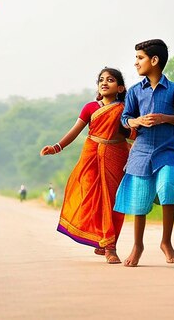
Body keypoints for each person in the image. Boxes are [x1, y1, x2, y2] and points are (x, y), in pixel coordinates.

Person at [114, 39, 174, 267]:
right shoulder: (135, 92)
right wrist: (137, 121)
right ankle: (137, 246)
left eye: (140, 58)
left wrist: (165, 118)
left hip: (166, 151)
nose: (136, 62)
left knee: (168, 190)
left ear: (154, 60)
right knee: (139, 202)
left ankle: (166, 243)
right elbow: (125, 118)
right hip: (140, 153)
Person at [40, 67, 131, 264]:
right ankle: (106, 243)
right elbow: (75, 130)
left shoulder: (125, 109)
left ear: (121, 87)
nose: (104, 82)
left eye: (110, 80)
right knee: (93, 198)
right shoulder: (90, 107)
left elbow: (132, 135)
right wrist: (57, 147)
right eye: (101, 80)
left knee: (114, 201)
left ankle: (109, 244)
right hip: (90, 156)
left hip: (117, 155)